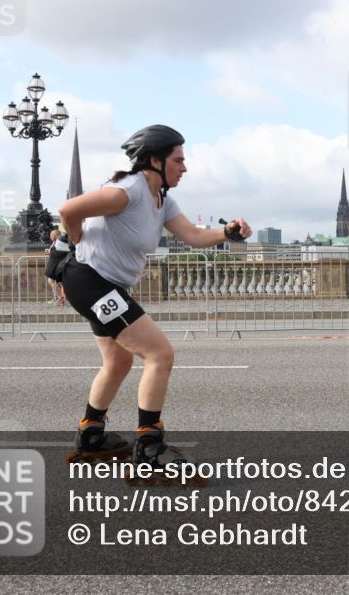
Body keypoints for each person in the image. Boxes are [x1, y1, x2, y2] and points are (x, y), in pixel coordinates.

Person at [58, 124, 251, 474]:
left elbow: (193, 236)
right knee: (159, 354)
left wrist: (227, 232)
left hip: (104, 285)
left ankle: (91, 434)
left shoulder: (162, 200)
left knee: (118, 362)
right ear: (155, 161)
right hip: (91, 281)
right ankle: (149, 447)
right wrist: (77, 245)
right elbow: (69, 210)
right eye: (178, 160)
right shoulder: (127, 191)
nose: (185, 167)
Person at [44, 228, 71, 304]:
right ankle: (57, 298)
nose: (50, 236)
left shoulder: (61, 242)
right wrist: (50, 252)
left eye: (51, 235)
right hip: (55, 265)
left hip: (58, 266)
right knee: (55, 282)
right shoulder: (55, 242)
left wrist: (51, 252)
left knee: (56, 282)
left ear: (56, 235)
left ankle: (61, 298)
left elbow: (59, 253)